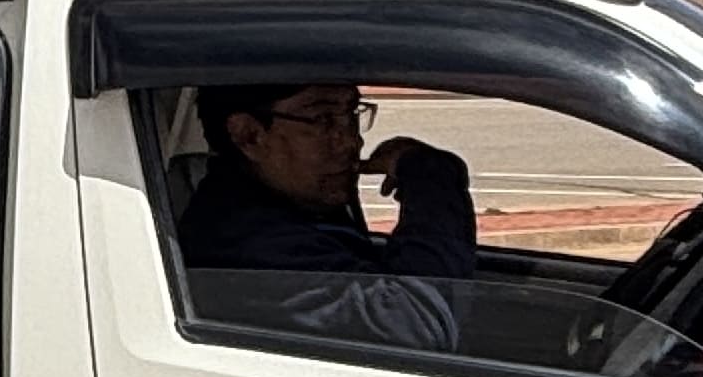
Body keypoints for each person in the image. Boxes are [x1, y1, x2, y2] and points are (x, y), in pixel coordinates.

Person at [175, 83, 477, 355]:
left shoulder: (294, 205)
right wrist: (430, 176)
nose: (351, 142)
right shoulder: (245, 243)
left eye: (351, 115)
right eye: (323, 120)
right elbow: (417, 324)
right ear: (249, 136)